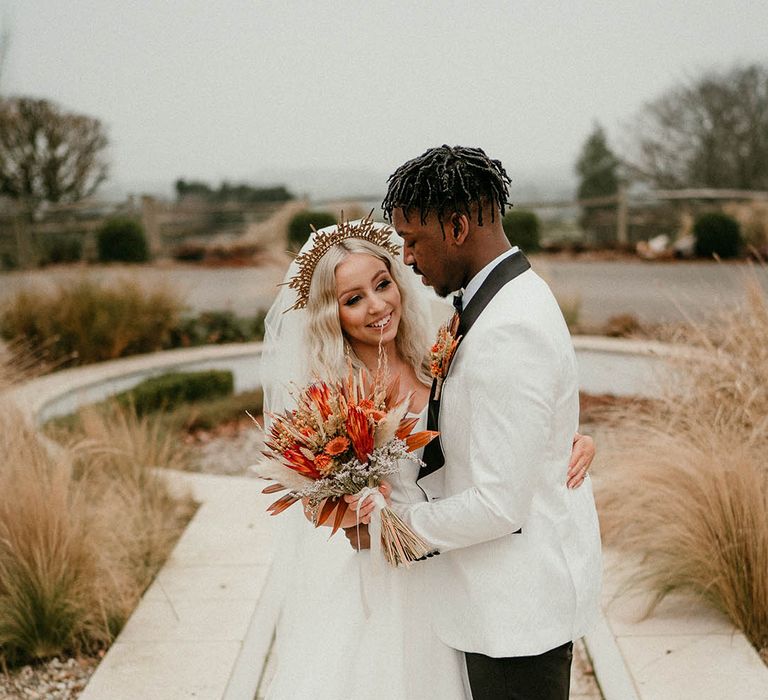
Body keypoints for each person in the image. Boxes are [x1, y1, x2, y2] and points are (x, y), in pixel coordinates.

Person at [259, 214, 596, 699]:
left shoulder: (432, 353)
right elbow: (353, 533)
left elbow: (499, 423)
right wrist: (364, 513)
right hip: (399, 592)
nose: (378, 306)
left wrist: (566, 440)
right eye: (354, 300)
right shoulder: (335, 400)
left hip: (468, 570)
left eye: (382, 284)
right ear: (330, 315)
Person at [354, 145, 602, 700]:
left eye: (413, 242)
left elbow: (498, 504)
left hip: (515, 609)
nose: (408, 260)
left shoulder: (506, 329)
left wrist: (394, 530)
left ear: (459, 226)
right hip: (493, 596)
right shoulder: (494, 302)